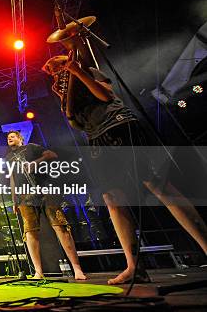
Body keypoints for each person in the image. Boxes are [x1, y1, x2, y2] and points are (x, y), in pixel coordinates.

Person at [43, 54, 207, 284]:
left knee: (157, 185)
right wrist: (64, 94)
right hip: (96, 138)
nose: (54, 70)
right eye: (51, 69)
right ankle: (134, 266)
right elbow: (74, 121)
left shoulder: (88, 71)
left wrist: (77, 72)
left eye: (58, 63)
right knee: (112, 198)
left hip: (120, 125)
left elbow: (106, 95)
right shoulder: (60, 88)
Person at [5, 131, 87, 280]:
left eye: (13, 136)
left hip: (45, 191)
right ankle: (38, 272)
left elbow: (52, 155)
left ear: (20, 138)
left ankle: (77, 268)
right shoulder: (8, 158)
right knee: (30, 231)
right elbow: (12, 179)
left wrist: (35, 163)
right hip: (25, 196)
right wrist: (14, 199)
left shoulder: (32, 147)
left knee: (60, 226)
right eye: (8, 137)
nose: (9, 138)